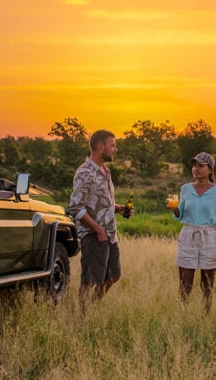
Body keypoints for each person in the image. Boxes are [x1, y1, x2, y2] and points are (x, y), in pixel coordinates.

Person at [67, 129, 133, 303]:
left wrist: (118, 208)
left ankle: (92, 307)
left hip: (110, 235)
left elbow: (102, 202)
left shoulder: (105, 171)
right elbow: (75, 208)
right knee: (88, 280)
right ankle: (82, 315)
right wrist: (98, 230)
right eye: (112, 145)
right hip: (93, 235)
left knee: (114, 275)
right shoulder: (84, 172)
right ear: (100, 147)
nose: (115, 149)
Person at [167, 152, 216, 313]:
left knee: (207, 285)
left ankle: (205, 317)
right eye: (194, 165)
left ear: (210, 169)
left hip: (209, 237)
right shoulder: (185, 189)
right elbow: (180, 215)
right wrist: (174, 209)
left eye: (200, 165)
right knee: (185, 284)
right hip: (188, 235)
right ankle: (182, 316)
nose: (196, 168)